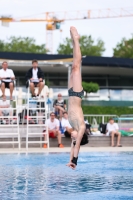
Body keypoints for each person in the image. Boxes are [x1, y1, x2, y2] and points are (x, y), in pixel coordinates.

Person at [66, 27, 88, 170]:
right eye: (74, 138)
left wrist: (70, 161)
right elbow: (77, 144)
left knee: (72, 66)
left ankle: (74, 43)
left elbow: (73, 147)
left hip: (70, 93)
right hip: (77, 94)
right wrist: (75, 161)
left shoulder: (74, 126)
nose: (72, 138)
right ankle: (77, 40)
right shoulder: (81, 128)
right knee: (76, 67)